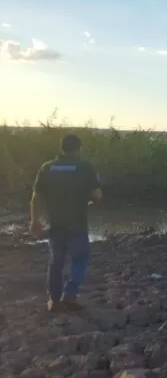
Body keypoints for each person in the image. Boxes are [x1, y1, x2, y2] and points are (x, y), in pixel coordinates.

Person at [30, 133, 103, 312]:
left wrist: (34, 221)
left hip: (55, 222)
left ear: (61, 148)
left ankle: (53, 300)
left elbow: (35, 197)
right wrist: (92, 201)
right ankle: (70, 294)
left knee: (56, 260)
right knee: (80, 257)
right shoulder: (85, 167)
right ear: (78, 148)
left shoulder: (47, 167)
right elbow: (97, 195)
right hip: (77, 222)